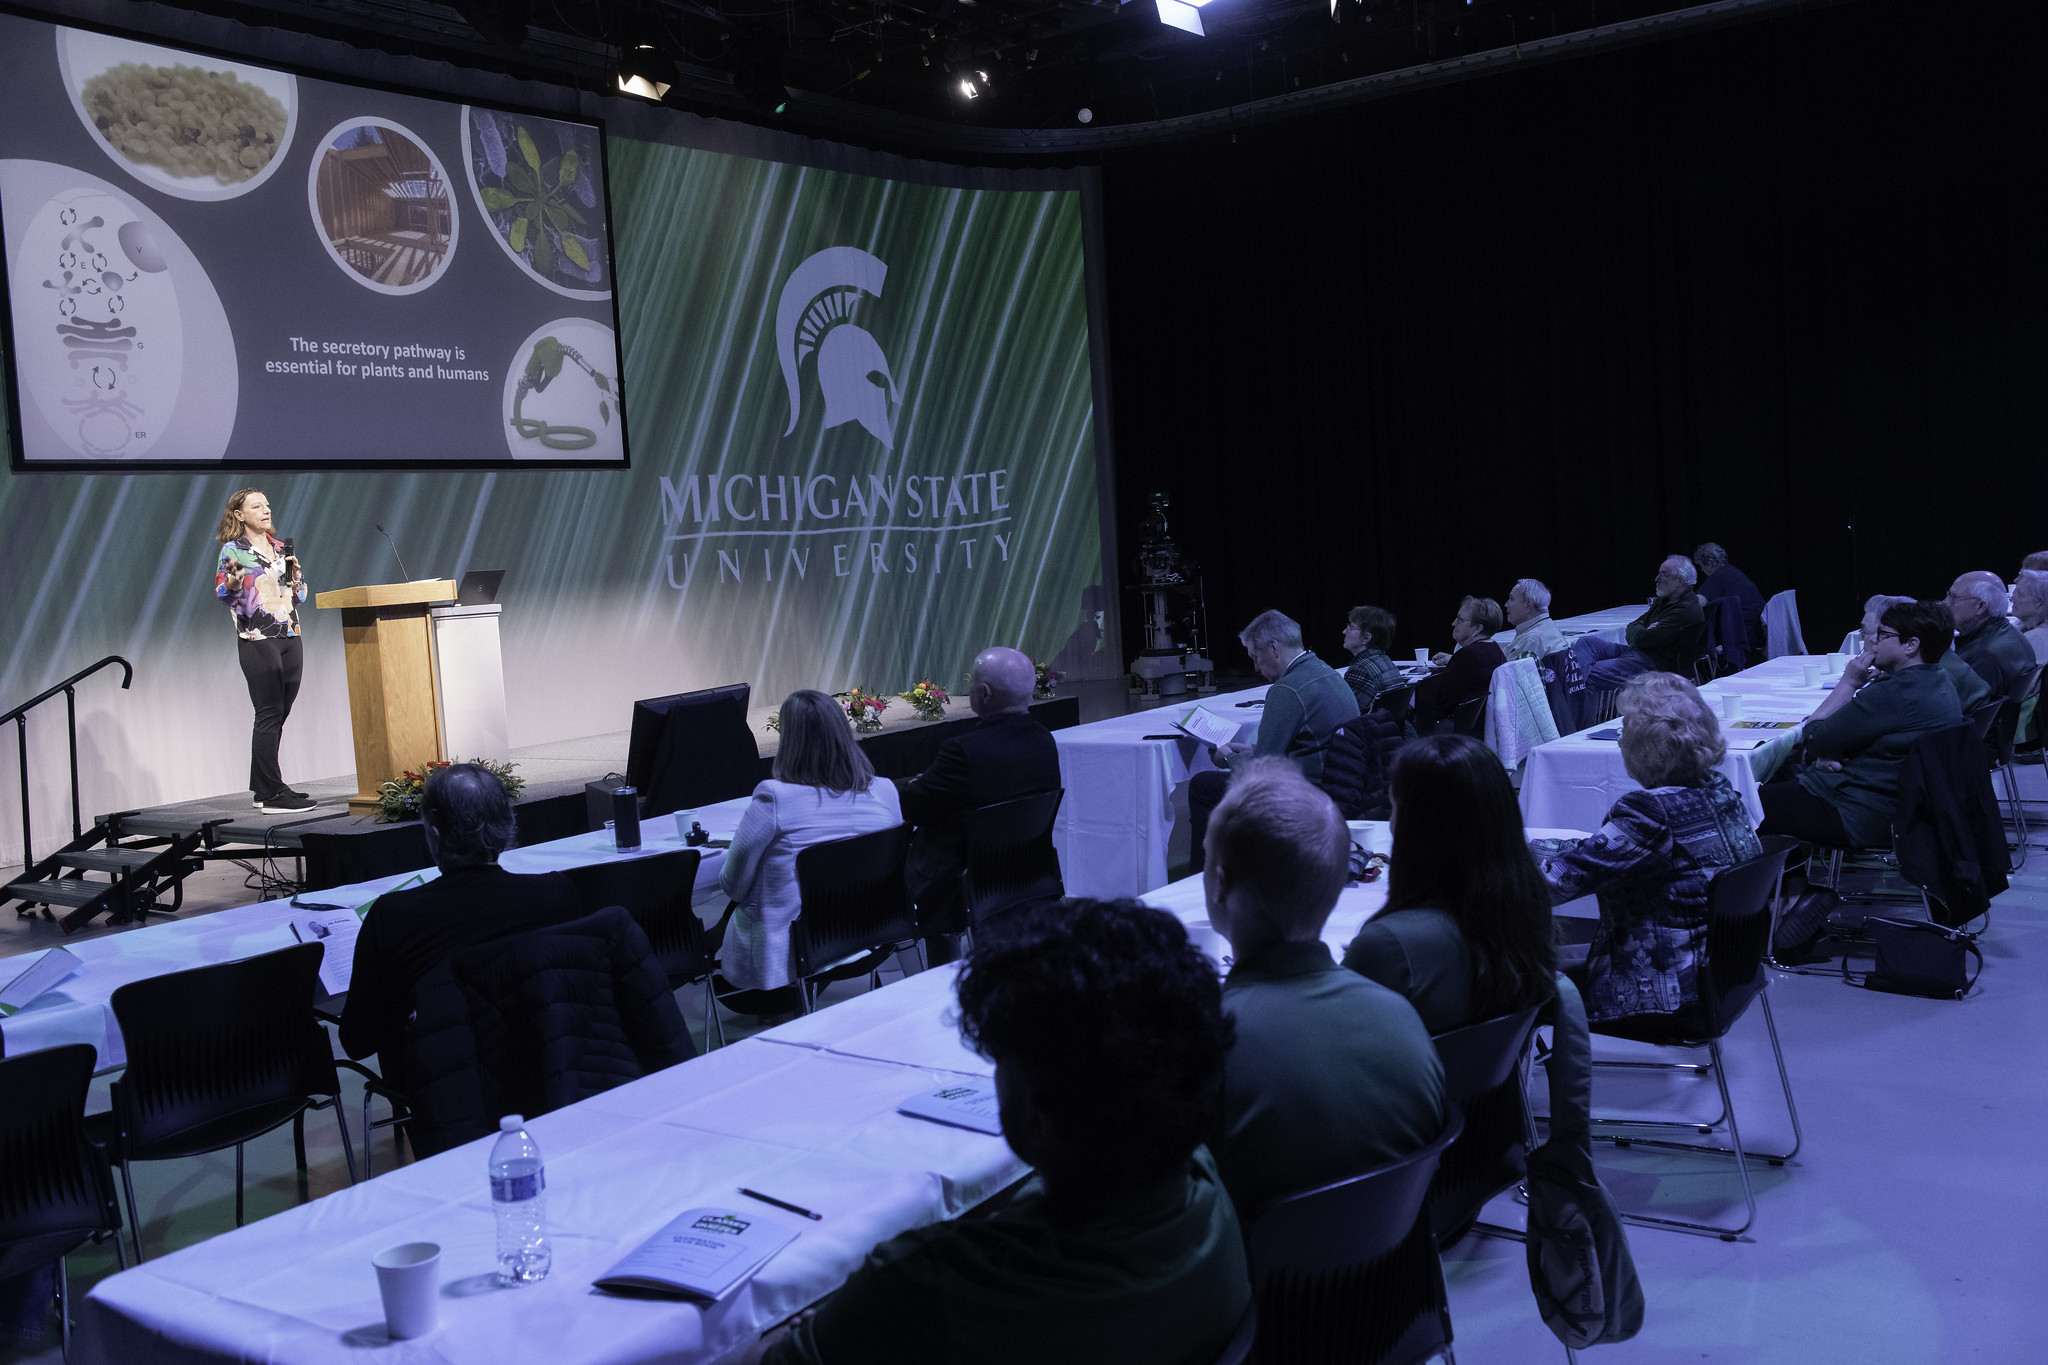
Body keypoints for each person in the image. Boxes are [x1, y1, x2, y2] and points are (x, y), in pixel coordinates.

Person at [759, 899, 1249, 1365]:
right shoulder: (1207, 1189)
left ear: (1039, 1119)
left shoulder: (926, 1282)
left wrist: (811, 1331)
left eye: (1000, 1062)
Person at [1202, 758, 1447, 1214]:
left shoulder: (1206, 1043)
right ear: (1339, 882)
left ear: (1219, 886)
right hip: (1395, 1276)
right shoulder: (1402, 1018)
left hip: (1262, 1280)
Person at [1538, 674, 1761, 1025]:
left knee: (1504, 977)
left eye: (1623, 731)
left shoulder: (1650, 812)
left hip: (1661, 990)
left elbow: (1550, 885)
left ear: (1648, 747)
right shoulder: (1720, 792)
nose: (1620, 741)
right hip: (1725, 977)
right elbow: (1605, 853)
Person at [340, 764, 583, 1063]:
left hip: (444, 1086)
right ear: (508, 824)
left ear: (434, 832)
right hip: (551, 1067)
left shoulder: (393, 916)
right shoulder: (556, 893)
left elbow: (357, 1040)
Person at [1344, 735, 1558, 1034]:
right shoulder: (1528, 910)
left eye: (1393, 809)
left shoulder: (1389, 945)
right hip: (1487, 1078)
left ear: (1415, 827)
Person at [719, 689, 904, 997]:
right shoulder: (885, 791)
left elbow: (733, 887)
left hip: (795, 951)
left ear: (789, 739)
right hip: (869, 936)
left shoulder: (773, 797)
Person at [896, 647, 1061, 962]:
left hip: (967, 882)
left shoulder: (964, 751)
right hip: (1028, 871)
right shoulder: (1043, 740)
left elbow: (913, 807)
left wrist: (908, 785)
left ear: (983, 694)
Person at [1756, 599, 1963, 849]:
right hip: (1900, 806)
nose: (1873, 640)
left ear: (1911, 645)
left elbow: (1814, 737)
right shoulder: (1938, 679)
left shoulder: (1895, 692)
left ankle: (1775, 886)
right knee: (1777, 787)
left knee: (1744, 807)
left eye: (1884, 634)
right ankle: (1793, 886)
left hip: (1859, 811)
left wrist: (1849, 683)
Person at [1188, 610, 1357, 872]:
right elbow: (1302, 744)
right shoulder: (1326, 672)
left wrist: (1229, 757)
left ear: (1274, 648)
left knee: (1202, 786)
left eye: (1256, 657)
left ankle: (1206, 875)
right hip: (1342, 784)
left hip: (1306, 792)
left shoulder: (1286, 689)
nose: (1256, 667)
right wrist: (1250, 750)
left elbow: (1262, 773)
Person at [215, 489, 315, 813]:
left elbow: (297, 596)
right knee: (269, 713)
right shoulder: (234, 550)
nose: (266, 510)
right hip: (257, 638)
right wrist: (233, 583)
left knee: (279, 714)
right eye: (256, 506)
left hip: (290, 632)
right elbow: (225, 594)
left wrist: (297, 580)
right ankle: (272, 792)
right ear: (239, 515)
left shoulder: (279, 549)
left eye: (267, 505)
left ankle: (263, 788)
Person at [1579, 555, 1706, 691]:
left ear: (1680, 581)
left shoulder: (1686, 609)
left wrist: (1643, 632)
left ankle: (1572, 696)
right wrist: (1644, 630)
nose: (1656, 579)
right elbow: (1633, 625)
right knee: (1586, 643)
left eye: (1664, 575)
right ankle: (1573, 688)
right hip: (1637, 654)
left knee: (1584, 673)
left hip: (1652, 666)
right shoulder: (1665, 600)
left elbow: (1643, 639)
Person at [1856, 594, 1985, 711]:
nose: (1867, 639)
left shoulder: (1924, 680)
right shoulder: (1939, 659)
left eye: (1866, 632)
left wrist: (1850, 683)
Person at [1412, 596, 1506, 732]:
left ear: (1478, 628)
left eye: (1460, 620)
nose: (1453, 623)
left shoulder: (1469, 655)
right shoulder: (1494, 648)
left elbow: (1443, 703)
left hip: (1456, 728)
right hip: (1480, 726)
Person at [1945, 570, 2034, 699]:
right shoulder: (2010, 631)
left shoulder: (1984, 658)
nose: (1945, 603)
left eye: (1953, 598)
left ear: (1980, 606)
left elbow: (1962, 711)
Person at [1693, 542, 1766, 650]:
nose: (1701, 570)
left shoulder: (1719, 576)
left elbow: (1698, 603)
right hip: (1757, 631)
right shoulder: (1731, 571)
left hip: (1744, 635)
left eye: (1701, 566)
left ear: (1710, 563)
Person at [1340, 603, 1404, 714]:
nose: (1344, 632)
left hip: (1372, 730)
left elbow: (1347, 714)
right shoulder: (1386, 662)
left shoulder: (1360, 670)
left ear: (1366, 638)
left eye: (1350, 627)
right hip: (1391, 728)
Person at [1503, 578, 1567, 661]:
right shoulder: (1548, 628)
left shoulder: (1532, 640)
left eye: (1512, 599)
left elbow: (1505, 672)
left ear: (1528, 606)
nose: (1506, 604)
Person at [2013, 569, 2048, 666]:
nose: (2012, 599)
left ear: (2039, 603)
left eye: (2020, 594)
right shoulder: (2024, 628)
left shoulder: (2034, 640)